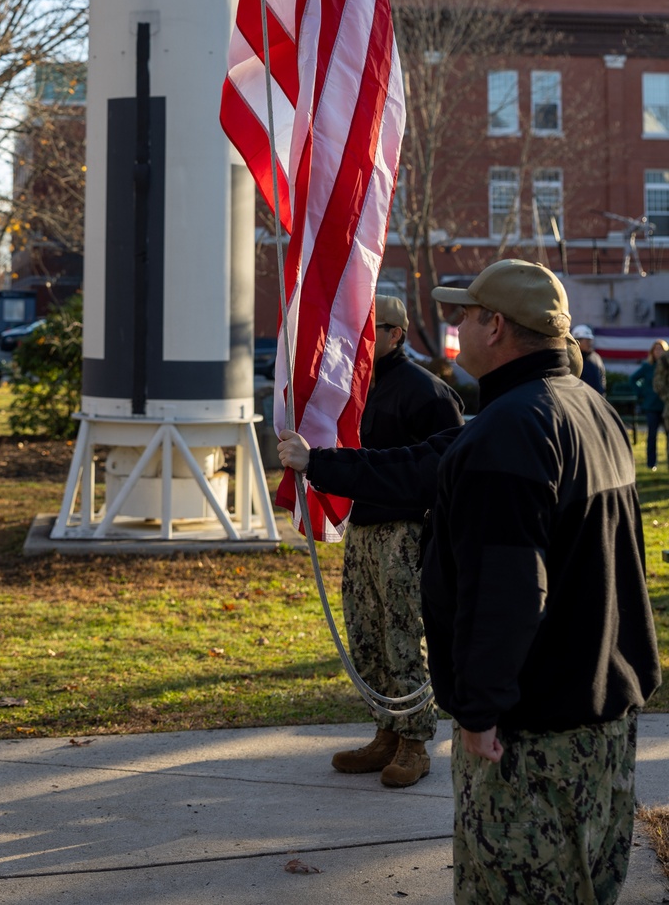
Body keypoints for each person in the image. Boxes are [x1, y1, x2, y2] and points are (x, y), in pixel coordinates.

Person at [278, 259, 659, 905]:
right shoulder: (587, 409)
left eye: (463, 315)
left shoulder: (511, 431)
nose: (453, 327)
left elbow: (507, 590)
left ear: (496, 325)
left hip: (532, 735)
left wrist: (479, 711)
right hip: (604, 716)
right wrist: (321, 465)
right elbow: (424, 468)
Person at [332, 295, 463, 788]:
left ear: (396, 334)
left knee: (403, 637)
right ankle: (385, 731)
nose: (363, 339)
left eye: (374, 329)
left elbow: (446, 471)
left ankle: (415, 743)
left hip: (406, 533)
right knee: (366, 637)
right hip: (362, 528)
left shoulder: (427, 392)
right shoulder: (353, 389)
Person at [631, 340, 669, 471]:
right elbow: (633, 378)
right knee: (652, 435)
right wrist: (642, 392)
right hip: (652, 406)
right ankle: (651, 463)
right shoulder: (648, 366)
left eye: (661, 350)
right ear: (652, 352)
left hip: (665, 405)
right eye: (656, 350)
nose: (659, 352)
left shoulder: (666, 365)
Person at [572, 322, 606, 395]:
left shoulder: (596, 358)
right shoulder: (571, 359)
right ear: (577, 341)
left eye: (590, 340)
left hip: (597, 400)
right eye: (587, 341)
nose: (590, 343)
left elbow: (602, 377)